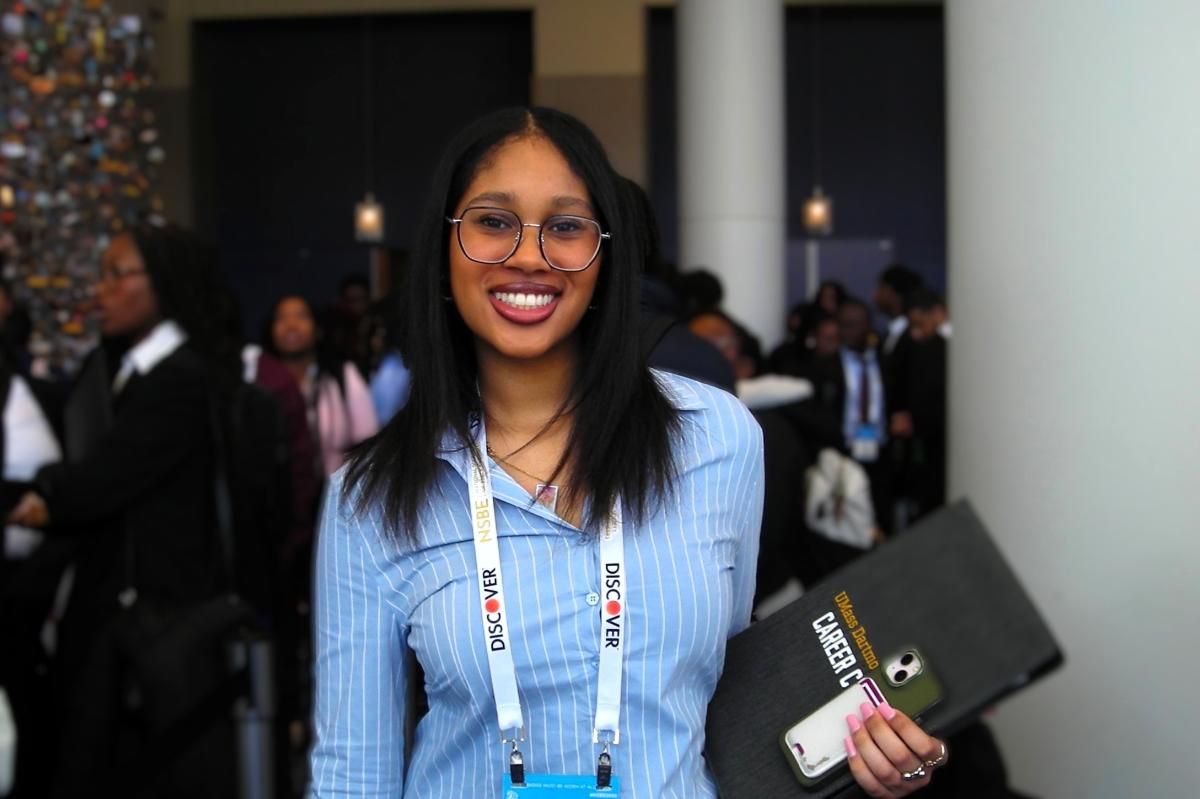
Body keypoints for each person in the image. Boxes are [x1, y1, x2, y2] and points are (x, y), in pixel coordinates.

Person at [309, 106, 945, 799]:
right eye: (493, 221)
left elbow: (726, 698)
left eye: (566, 225)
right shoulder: (370, 498)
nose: (529, 254)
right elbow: (352, 774)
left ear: (606, 256)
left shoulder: (716, 438)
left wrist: (872, 760)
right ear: (443, 251)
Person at [6, 222, 242, 797]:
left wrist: (43, 494)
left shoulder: (179, 379)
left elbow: (97, 483)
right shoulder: (128, 373)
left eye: (117, 274)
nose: (100, 290)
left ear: (160, 283)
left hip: (160, 616)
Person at [265, 294, 379, 477]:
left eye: (301, 316)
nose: (291, 325)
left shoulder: (342, 375)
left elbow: (368, 444)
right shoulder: (260, 380)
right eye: (281, 318)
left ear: (317, 329)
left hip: (333, 496)